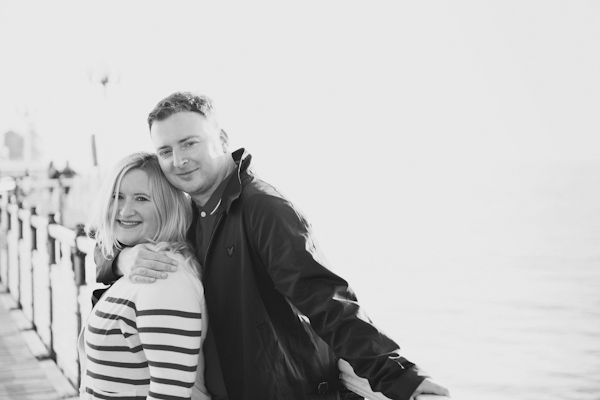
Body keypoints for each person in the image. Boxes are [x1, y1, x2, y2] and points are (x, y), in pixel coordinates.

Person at [96, 92, 451, 400]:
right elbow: (111, 238)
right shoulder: (188, 212)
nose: (179, 160)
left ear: (220, 138)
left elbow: (328, 301)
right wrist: (122, 260)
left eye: (190, 143)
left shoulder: (263, 208)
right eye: (166, 150)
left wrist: (402, 377)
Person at [80, 152, 210, 400]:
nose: (125, 211)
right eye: (117, 197)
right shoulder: (137, 266)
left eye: (141, 199)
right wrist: (120, 259)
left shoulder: (163, 276)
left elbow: (169, 394)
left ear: (166, 206)